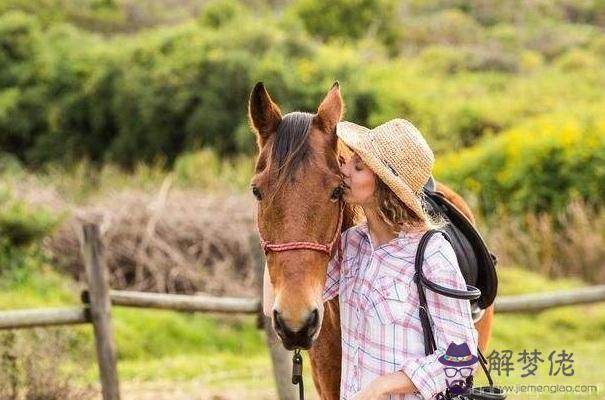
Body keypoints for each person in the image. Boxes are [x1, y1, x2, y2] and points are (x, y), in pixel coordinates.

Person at [265, 119, 479, 399]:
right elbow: (274, 305)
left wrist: (383, 386)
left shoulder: (431, 254)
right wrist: (272, 211)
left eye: (358, 166)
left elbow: (461, 359)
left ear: (383, 183)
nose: (343, 170)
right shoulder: (352, 246)